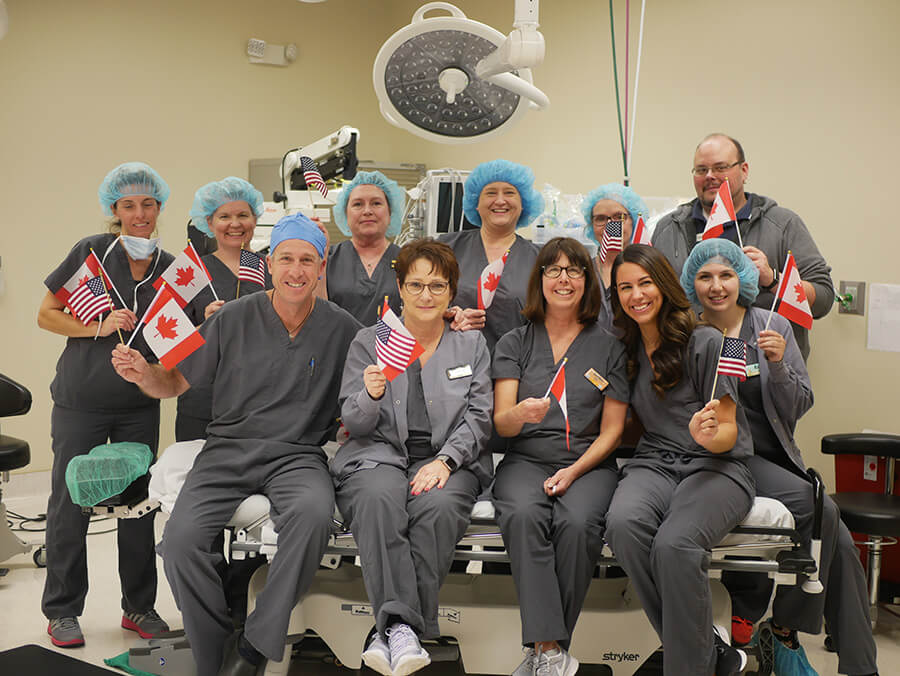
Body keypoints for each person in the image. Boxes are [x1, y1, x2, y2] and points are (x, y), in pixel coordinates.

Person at [110, 214, 361, 676]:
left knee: (312, 517)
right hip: (227, 449)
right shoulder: (232, 317)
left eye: (307, 260)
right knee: (183, 543)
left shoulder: (342, 328)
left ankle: (254, 645)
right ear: (269, 263)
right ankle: (214, 650)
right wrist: (145, 374)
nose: (296, 270)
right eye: (286, 258)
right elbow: (175, 380)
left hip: (297, 455)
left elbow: (378, 370)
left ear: (321, 268)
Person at [681, 239, 879, 676]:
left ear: (744, 280)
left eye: (727, 275)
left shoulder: (770, 325)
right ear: (691, 282)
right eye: (705, 276)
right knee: (822, 512)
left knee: (840, 542)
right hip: (722, 455)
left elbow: (798, 405)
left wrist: (777, 365)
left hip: (771, 455)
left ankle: (836, 653)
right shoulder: (688, 331)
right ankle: (784, 631)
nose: (717, 286)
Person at [333, 239, 493, 676]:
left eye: (437, 286)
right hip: (378, 452)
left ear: (451, 291)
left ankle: (391, 628)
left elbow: (480, 418)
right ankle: (405, 628)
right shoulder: (373, 340)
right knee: (377, 498)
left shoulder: (470, 345)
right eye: (416, 285)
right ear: (399, 287)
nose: (426, 295)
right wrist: (369, 394)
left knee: (438, 506)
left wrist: (445, 462)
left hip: (448, 459)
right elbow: (354, 421)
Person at [37, 162, 174, 648]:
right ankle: (62, 611)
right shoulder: (91, 253)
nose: (139, 214)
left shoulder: (171, 268)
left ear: (160, 208)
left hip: (138, 405)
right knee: (70, 504)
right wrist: (95, 326)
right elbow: (46, 315)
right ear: (114, 210)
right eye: (129, 205)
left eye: (148, 204)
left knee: (138, 505)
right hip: (81, 401)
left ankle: (139, 606)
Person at [604, 244, 754, 676]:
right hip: (655, 462)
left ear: (665, 286)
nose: (636, 295)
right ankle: (709, 651)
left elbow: (727, 432)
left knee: (674, 546)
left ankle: (690, 666)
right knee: (623, 525)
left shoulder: (709, 342)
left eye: (646, 283)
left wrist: (708, 435)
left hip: (718, 466)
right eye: (625, 287)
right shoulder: (624, 349)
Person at [492, 237, 630, 676]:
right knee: (521, 514)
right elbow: (501, 424)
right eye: (554, 270)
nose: (564, 279)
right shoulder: (515, 341)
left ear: (588, 281)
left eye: (574, 270)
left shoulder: (609, 347)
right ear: (540, 280)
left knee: (575, 524)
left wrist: (574, 470)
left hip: (588, 462)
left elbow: (612, 431)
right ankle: (551, 655)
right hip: (527, 458)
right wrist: (518, 413)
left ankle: (544, 651)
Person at [651, 133, 834, 359]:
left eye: (720, 168)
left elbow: (823, 300)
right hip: (692, 366)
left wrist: (773, 279)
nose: (710, 176)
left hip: (766, 371)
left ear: (744, 170)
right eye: (701, 170)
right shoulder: (669, 229)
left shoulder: (783, 224)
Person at [175, 176, 271, 442]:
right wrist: (203, 327)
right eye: (224, 216)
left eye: (243, 215)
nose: (235, 224)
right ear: (209, 222)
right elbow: (166, 341)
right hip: (202, 404)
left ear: (255, 218)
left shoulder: (274, 269)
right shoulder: (187, 273)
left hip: (261, 402)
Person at [440, 159, 543, 351]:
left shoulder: (540, 259)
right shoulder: (446, 248)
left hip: (518, 367)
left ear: (523, 204)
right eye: (491, 193)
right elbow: (420, 302)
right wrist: (447, 315)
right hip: (453, 363)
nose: (500, 200)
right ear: (475, 203)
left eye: (510, 193)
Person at [323, 170, 404, 325]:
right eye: (358, 204)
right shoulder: (329, 259)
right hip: (341, 348)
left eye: (376, 203)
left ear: (390, 211)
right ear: (345, 214)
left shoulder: (408, 260)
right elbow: (317, 312)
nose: (367, 211)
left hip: (392, 348)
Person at [581, 183, 649, 330]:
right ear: (591, 225)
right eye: (600, 218)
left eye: (619, 217)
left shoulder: (648, 271)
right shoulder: (581, 271)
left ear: (633, 222)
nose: (611, 225)